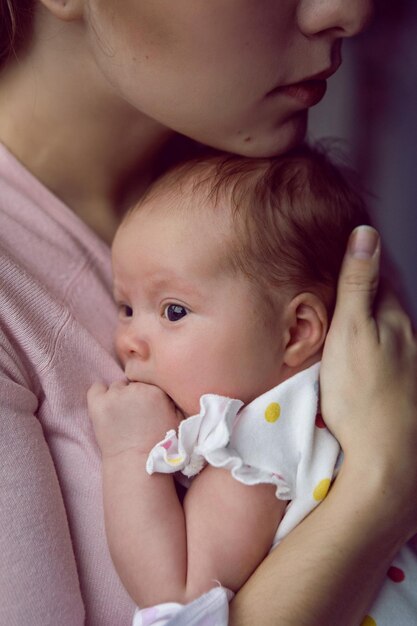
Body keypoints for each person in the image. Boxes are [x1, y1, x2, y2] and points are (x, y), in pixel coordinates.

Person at [1, 2, 417, 625]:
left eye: (171, 310)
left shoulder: (278, 217)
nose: (350, 12)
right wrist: (383, 486)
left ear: (300, 329)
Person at [88, 145, 417, 626]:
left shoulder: (265, 440)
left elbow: (178, 594)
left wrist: (127, 451)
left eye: (173, 311)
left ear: (297, 331)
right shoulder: (356, 400)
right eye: (126, 308)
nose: (128, 342)